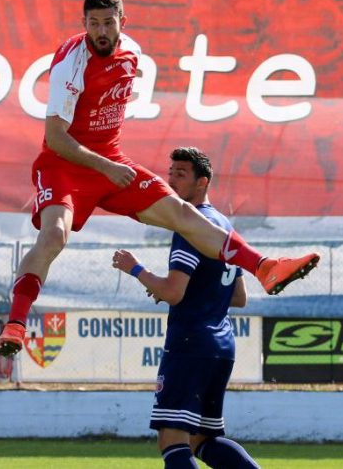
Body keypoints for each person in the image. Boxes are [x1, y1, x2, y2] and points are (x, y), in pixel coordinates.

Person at [0, 0, 319, 357]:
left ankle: (264, 267)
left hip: (110, 161)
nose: (101, 30)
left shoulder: (131, 53)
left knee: (184, 214)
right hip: (65, 164)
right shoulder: (71, 61)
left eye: (108, 22)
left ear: (122, 22)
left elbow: (105, 115)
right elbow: (55, 138)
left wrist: (108, 163)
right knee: (54, 235)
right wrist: (105, 165)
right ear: (83, 24)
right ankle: (16, 325)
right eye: (93, 23)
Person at [112, 147, 259, 469]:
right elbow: (237, 297)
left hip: (191, 342)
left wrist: (136, 269)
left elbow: (173, 293)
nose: (171, 180)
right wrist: (186, 291)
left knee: (173, 439)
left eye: (181, 174)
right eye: (170, 172)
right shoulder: (223, 226)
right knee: (203, 439)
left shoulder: (191, 229)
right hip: (222, 345)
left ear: (202, 182)